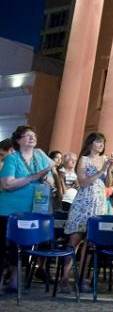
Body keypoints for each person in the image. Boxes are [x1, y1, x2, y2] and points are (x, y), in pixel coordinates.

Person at [0, 126, 56, 294]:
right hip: (9, 210)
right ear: (18, 140)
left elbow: (51, 182)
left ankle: (15, 282)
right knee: (3, 248)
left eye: (34, 135)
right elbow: (7, 184)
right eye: (27, 135)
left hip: (32, 210)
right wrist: (34, 177)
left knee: (22, 247)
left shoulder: (40, 157)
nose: (32, 138)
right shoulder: (12, 159)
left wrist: (46, 180)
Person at [63, 132, 113, 294]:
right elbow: (83, 182)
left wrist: (110, 169)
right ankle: (64, 279)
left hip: (99, 202)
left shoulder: (104, 160)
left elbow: (108, 183)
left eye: (103, 142)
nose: (101, 145)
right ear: (90, 143)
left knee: (90, 243)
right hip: (84, 202)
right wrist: (101, 170)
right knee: (75, 240)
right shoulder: (84, 159)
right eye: (98, 142)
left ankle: (81, 278)